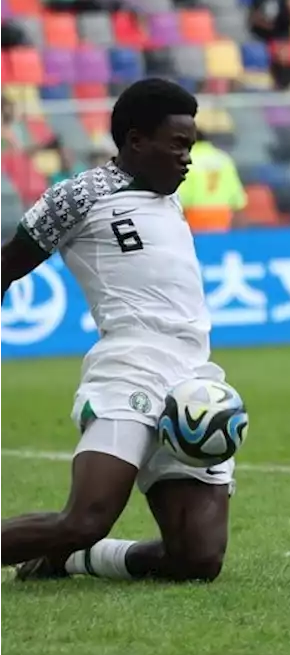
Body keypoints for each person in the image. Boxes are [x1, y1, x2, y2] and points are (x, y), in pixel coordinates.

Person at [0, 78, 234, 584]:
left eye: (190, 147)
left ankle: (70, 560)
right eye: (178, 145)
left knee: (198, 561)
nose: (187, 158)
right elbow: (7, 262)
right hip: (129, 369)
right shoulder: (79, 197)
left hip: (193, 380)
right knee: (85, 519)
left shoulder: (168, 200)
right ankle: (72, 543)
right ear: (135, 141)